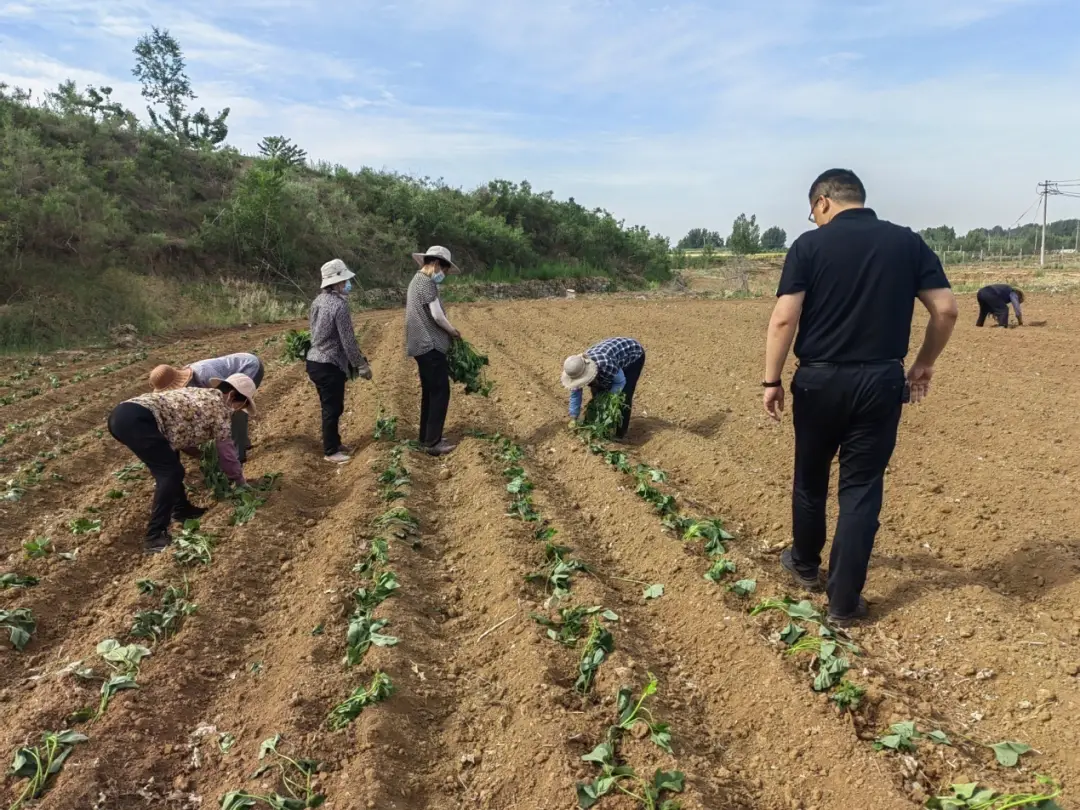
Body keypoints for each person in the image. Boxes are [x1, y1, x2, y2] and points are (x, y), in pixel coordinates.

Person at [762, 169, 958, 626]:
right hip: (880, 382)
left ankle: (805, 563)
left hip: (819, 381)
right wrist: (924, 362)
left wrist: (771, 381)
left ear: (824, 201)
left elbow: (783, 320)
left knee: (810, 478)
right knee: (861, 490)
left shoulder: (809, 247)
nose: (814, 220)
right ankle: (843, 603)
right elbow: (946, 309)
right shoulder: (907, 242)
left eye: (813, 212)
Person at [107, 374, 256, 553]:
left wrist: (202, 455)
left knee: (170, 461)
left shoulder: (202, 395)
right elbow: (227, 452)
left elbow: (181, 434)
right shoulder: (220, 409)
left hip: (125, 415)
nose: (238, 411)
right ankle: (154, 536)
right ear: (231, 396)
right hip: (138, 420)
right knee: (170, 472)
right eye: (241, 406)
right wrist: (239, 481)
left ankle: (181, 509)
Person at [306, 259, 372, 464]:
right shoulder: (339, 305)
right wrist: (361, 365)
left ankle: (335, 441)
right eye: (345, 281)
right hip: (329, 364)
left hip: (314, 360)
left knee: (331, 405)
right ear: (336, 283)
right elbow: (348, 341)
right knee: (332, 408)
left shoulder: (317, 301)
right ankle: (331, 450)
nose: (347, 284)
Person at [149, 352, 265, 463]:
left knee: (234, 409)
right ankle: (242, 443)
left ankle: (238, 456)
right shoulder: (186, 384)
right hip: (233, 371)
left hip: (249, 366)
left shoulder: (205, 374)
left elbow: (223, 403)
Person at [405, 246, 462, 456]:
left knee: (430, 392)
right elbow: (437, 316)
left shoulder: (415, 281)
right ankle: (433, 442)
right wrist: (453, 331)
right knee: (440, 392)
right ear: (437, 264)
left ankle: (426, 436)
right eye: (445, 271)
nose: (444, 275)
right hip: (430, 346)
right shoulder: (427, 283)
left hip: (420, 346)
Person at [562, 338, 646, 441]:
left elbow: (620, 382)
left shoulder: (605, 364)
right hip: (612, 359)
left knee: (623, 395)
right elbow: (575, 393)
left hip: (633, 355)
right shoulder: (576, 370)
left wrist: (610, 399)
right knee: (598, 394)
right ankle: (601, 427)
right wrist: (574, 417)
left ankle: (620, 434)